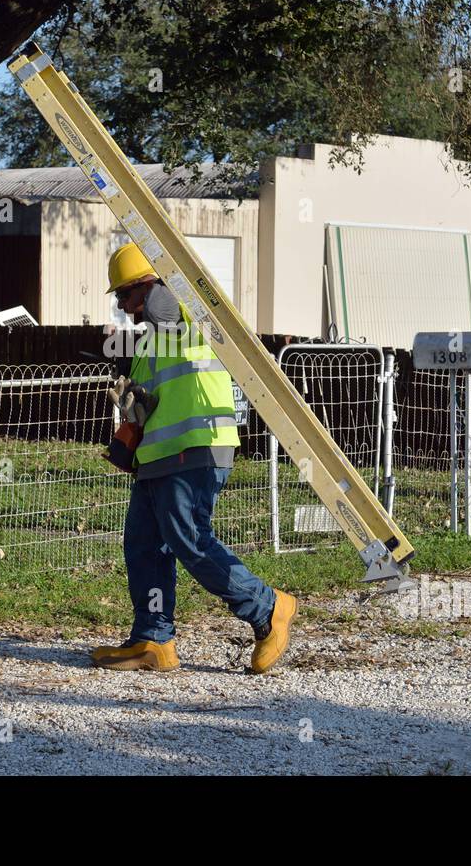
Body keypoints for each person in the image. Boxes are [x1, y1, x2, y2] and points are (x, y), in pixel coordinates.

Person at [91, 243, 297, 674]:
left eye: (124, 297)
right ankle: (153, 640)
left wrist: (154, 267)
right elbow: (148, 403)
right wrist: (130, 425)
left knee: (190, 541)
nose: (124, 310)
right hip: (160, 457)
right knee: (145, 546)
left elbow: (166, 301)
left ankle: (268, 607)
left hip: (197, 447)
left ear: (146, 286)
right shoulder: (152, 342)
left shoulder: (187, 311)